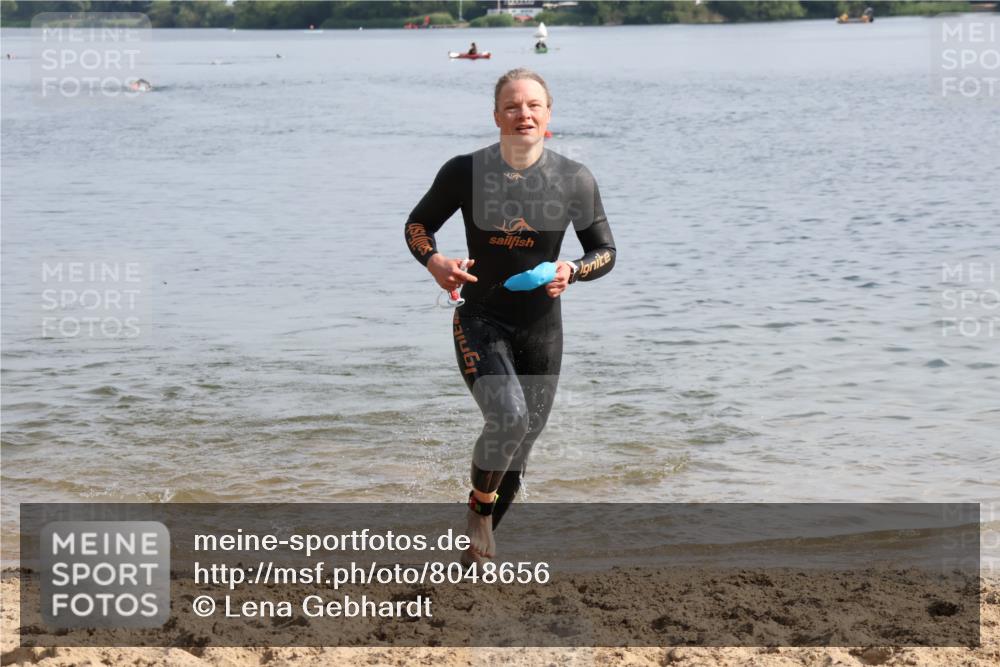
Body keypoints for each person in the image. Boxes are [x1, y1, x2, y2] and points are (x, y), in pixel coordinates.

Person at [404, 68, 616, 566]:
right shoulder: (465, 171)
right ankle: (478, 514)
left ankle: (468, 560)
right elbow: (418, 225)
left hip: (542, 328)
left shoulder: (574, 179)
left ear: (548, 116)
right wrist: (435, 261)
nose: (523, 114)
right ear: (496, 115)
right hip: (481, 318)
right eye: (513, 106)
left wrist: (575, 269)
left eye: (533, 106)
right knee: (509, 417)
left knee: (518, 449)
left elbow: (605, 250)